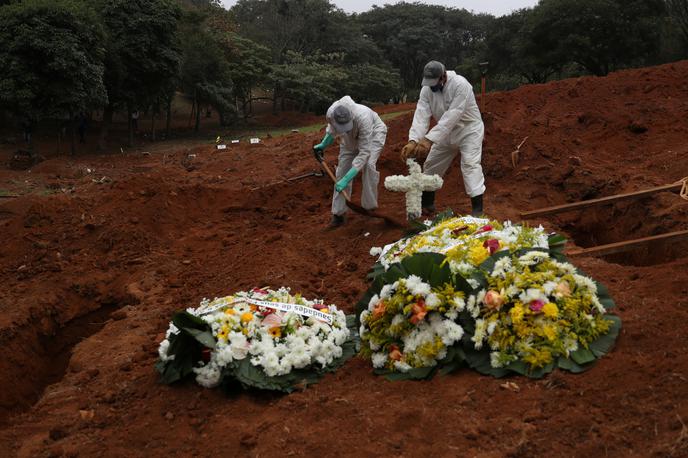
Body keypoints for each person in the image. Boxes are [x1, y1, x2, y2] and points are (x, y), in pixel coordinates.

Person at [400, 60, 485, 217]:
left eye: (434, 82)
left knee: (470, 165)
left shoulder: (460, 84)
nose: (432, 86)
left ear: (443, 76)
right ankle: (428, 204)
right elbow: (421, 114)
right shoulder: (426, 90)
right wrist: (413, 140)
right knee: (432, 164)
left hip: (468, 130)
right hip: (444, 132)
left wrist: (428, 140)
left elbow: (454, 114)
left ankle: (477, 210)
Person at [313, 95, 387, 227]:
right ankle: (338, 215)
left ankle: (369, 208)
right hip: (348, 139)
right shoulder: (331, 113)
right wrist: (323, 144)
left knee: (368, 166)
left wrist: (347, 179)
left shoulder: (363, 118)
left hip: (374, 134)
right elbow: (332, 131)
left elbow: (364, 153)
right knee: (341, 171)